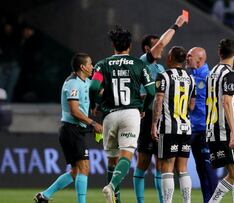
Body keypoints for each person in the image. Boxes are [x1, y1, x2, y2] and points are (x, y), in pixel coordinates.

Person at [89, 25, 155, 203]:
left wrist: (95, 103)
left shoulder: (102, 64)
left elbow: (94, 86)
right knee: (126, 154)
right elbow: (151, 92)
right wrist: (144, 108)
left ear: (114, 46)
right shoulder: (139, 64)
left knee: (112, 160)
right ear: (130, 46)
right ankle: (111, 187)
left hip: (109, 115)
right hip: (131, 113)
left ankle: (114, 200)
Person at [34, 53, 103, 203]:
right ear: (82, 67)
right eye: (90, 64)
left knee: (75, 171)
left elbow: (96, 92)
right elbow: (74, 110)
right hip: (71, 129)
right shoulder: (72, 83)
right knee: (84, 167)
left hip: (76, 130)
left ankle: (44, 195)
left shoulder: (84, 81)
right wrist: (93, 123)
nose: (92, 66)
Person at [134, 15, 187, 203]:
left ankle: (163, 201)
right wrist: (176, 25)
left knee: (161, 164)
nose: (162, 47)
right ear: (148, 49)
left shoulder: (163, 70)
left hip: (164, 119)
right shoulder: (143, 61)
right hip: (147, 116)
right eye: (157, 45)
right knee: (143, 162)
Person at [206, 38, 234, 203]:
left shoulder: (212, 73)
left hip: (212, 130)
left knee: (233, 173)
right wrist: (233, 131)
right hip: (224, 130)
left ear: (219, 52)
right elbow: (224, 101)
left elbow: (216, 101)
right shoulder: (229, 74)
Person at [151, 46, 196, 203]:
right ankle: (187, 201)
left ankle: (168, 202)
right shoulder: (191, 79)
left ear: (170, 58)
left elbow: (159, 100)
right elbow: (192, 105)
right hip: (186, 127)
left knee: (167, 167)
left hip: (169, 127)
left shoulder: (163, 76)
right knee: (183, 168)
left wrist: (154, 124)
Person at [185, 47, 218, 203]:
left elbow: (219, 103)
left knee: (208, 167)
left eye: (190, 56)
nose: (187, 58)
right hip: (191, 128)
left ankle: (213, 201)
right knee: (200, 168)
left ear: (200, 59)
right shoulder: (190, 75)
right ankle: (207, 200)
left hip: (205, 129)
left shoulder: (209, 77)